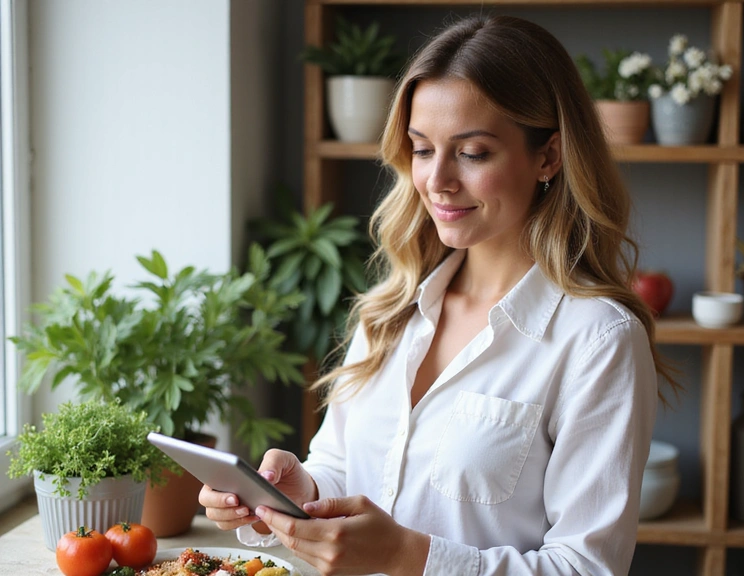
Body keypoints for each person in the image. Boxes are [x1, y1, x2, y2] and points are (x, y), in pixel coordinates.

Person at [200, 14, 678, 576]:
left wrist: (409, 556)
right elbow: (342, 469)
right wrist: (287, 492)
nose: (437, 180)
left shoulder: (598, 339)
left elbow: (586, 567)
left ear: (548, 157)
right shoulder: (391, 311)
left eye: (472, 153)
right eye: (422, 149)